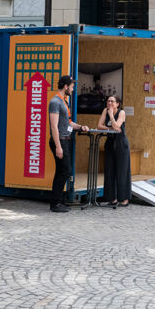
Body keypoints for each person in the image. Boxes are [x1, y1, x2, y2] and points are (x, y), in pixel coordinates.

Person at [48, 76, 89, 213]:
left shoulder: (64, 101)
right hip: (59, 141)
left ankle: (57, 201)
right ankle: (55, 203)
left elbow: (69, 123)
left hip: (65, 140)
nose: (73, 89)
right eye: (71, 86)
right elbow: (54, 127)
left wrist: (80, 126)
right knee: (65, 170)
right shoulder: (55, 102)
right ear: (65, 86)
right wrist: (58, 146)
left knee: (62, 171)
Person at [97, 95, 131, 208]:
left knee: (121, 171)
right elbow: (99, 125)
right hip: (110, 142)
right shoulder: (104, 111)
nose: (110, 103)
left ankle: (124, 199)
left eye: (112, 101)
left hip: (121, 144)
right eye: (108, 101)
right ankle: (112, 198)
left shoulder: (121, 113)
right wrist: (110, 129)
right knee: (109, 170)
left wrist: (111, 116)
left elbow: (118, 127)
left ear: (117, 104)